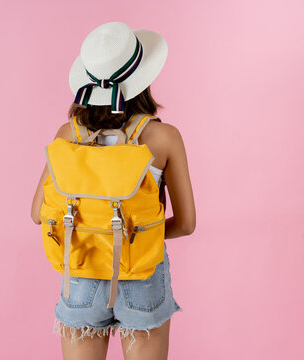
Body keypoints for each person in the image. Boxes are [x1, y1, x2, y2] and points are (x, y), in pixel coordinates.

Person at [30, 21, 196, 360]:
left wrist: (96, 229)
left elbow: (38, 214)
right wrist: (137, 233)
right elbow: (187, 223)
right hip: (142, 272)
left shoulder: (67, 134)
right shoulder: (163, 138)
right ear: (143, 80)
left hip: (81, 271)